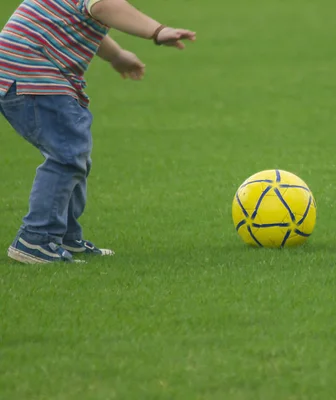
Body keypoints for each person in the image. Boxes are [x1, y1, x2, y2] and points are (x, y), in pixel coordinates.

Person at [0, 0, 195, 263]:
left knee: (72, 153)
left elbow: (87, 15)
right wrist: (157, 31)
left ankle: (64, 236)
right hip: (33, 73)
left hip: (22, 71)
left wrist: (116, 55)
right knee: (67, 155)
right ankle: (36, 238)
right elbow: (104, 7)